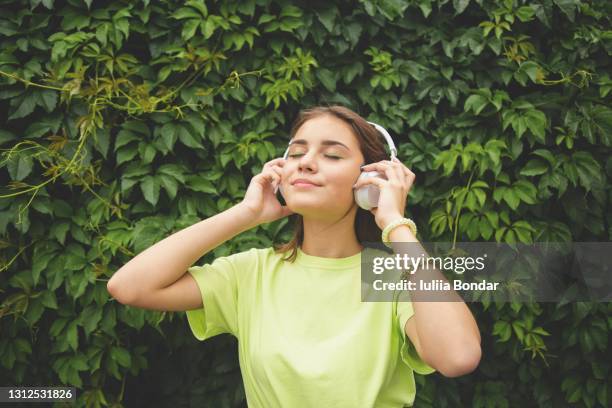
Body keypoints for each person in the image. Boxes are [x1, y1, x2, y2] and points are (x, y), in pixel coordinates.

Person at [107, 105, 482, 407]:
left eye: (332, 154)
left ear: (370, 181)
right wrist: (245, 214)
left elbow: (458, 356)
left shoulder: (393, 276)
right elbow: (129, 287)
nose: (305, 162)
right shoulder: (251, 272)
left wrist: (396, 223)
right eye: (297, 152)